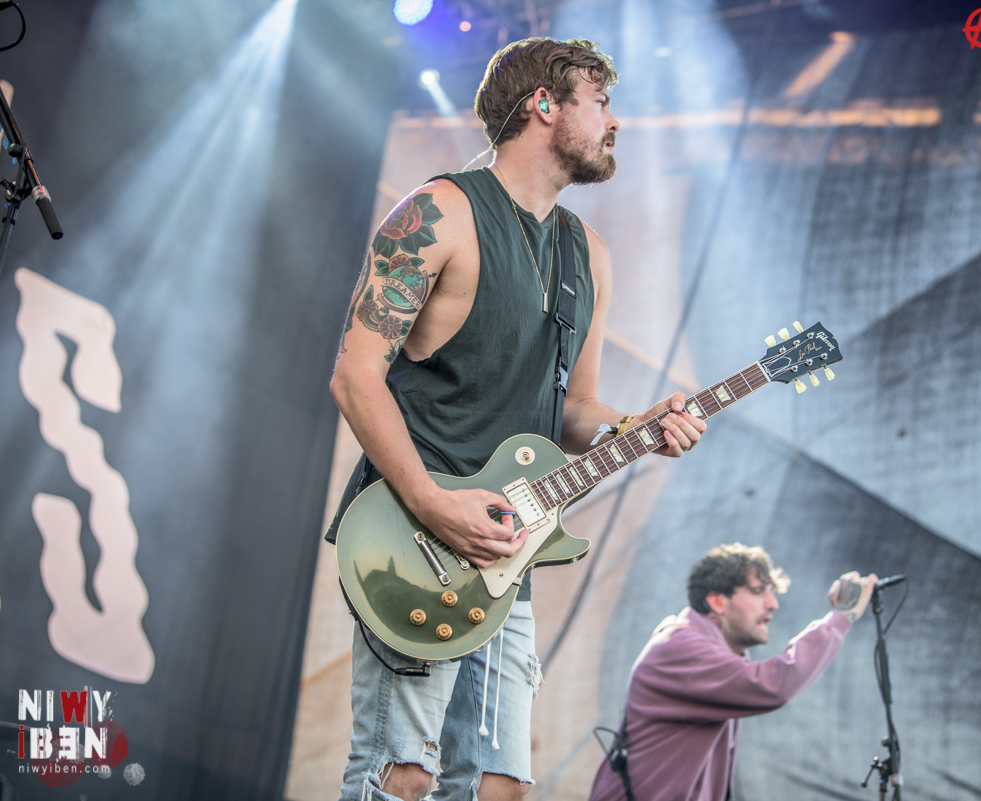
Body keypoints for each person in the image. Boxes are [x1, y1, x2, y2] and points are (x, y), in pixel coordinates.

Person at [327, 37, 707, 801]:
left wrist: (639, 425)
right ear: (544, 105)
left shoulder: (589, 255)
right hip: (414, 538)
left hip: (507, 556)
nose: (616, 123)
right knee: (402, 776)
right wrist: (434, 502)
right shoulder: (438, 212)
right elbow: (355, 375)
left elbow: (575, 412)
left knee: (498, 787)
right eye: (600, 103)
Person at [587, 543, 877, 801]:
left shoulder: (715, 652)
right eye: (758, 592)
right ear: (717, 601)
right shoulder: (683, 648)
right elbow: (775, 684)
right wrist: (842, 617)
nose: (773, 604)